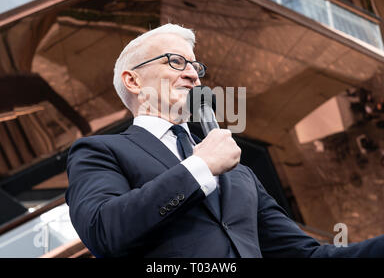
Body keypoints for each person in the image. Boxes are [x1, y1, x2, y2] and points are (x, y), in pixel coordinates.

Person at [65, 24, 384, 258]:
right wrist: (199, 167)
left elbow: (305, 256)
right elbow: (104, 231)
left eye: (195, 66)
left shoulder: (239, 173)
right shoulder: (100, 152)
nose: (192, 74)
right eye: (175, 62)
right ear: (132, 80)